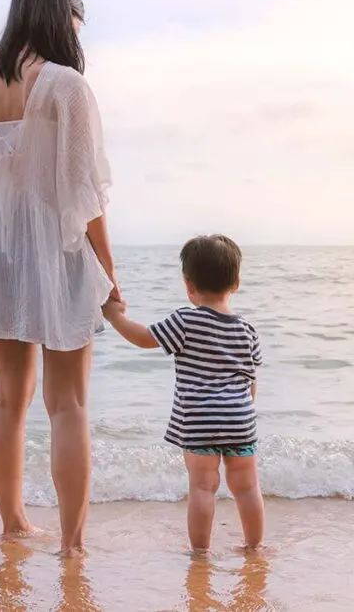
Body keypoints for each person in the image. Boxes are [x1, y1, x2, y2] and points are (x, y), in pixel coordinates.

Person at [0, 0, 118, 556]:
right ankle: (72, 543)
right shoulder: (67, 85)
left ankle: (14, 523)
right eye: (78, 16)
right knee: (67, 403)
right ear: (61, 14)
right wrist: (110, 275)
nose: (79, 28)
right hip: (57, 252)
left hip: (0, 252)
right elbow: (85, 195)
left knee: (7, 400)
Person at [101, 235, 264, 552]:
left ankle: (201, 553)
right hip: (241, 419)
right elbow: (251, 379)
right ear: (237, 282)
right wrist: (242, 412)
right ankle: (255, 545)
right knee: (247, 487)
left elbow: (146, 339)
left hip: (200, 421)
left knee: (203, 487)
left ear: (189, 285)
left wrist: (115, 316)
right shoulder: (248, 329)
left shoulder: (185, 320)